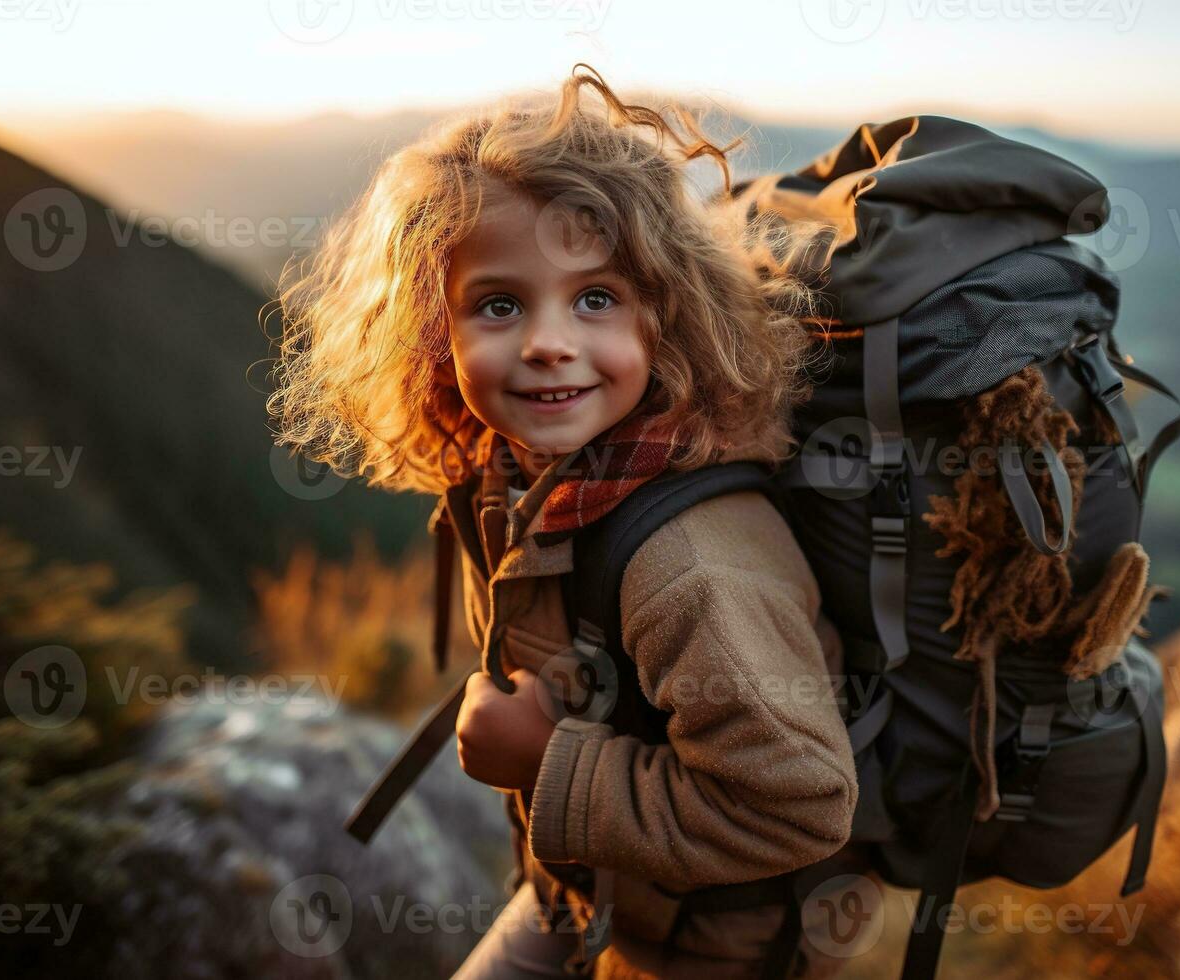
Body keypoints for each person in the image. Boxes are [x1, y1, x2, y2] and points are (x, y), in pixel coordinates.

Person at [269, 63, 863, 979]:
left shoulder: (694, 569)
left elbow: (797, 807)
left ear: (663, 317)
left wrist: (548, 764)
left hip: (711, 952)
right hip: (592, 895)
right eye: (499, 304)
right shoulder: (519, 477)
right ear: (437, 331)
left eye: (596, 298)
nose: (548, 342)